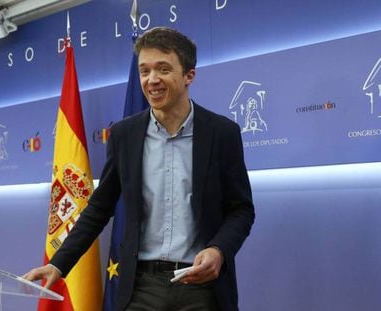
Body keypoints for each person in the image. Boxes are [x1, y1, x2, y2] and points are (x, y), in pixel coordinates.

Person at [24, 27, 255, 311]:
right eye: (144, 71)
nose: (151, 80)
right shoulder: (124, 135)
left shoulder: (222, 133)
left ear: (189, 75)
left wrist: (218, 250)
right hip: (140, 287)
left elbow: (241, 210)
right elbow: (99, 208)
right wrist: (59, 264)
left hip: (202, 288)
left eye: (163, 69)